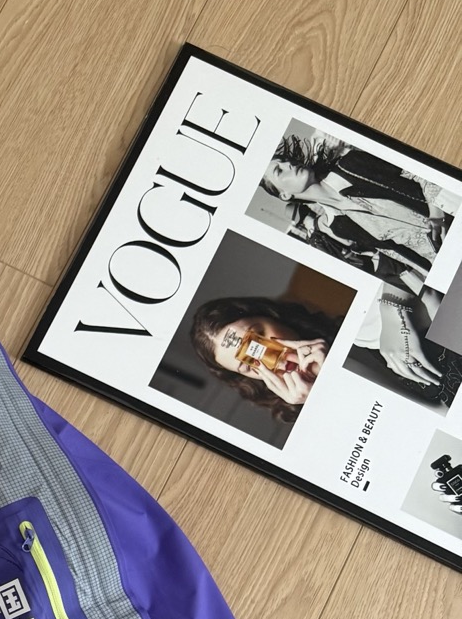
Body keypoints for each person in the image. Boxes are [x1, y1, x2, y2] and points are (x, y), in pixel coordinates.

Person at [190, 289, 453, 419]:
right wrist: (329, 386)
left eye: (258, 335)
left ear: (270, 316)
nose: (271, 357)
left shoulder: (368, 328)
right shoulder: (312, 421)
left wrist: (393, 307)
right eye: (249, 365)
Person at [260, 132, 454, 267]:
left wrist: (436, 212)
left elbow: (419, 170)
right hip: (444, 259)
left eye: (284, 160)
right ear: (285, 195)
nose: (288, 164)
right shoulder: (338, 226)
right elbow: (396, 253)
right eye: (279, 171)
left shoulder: (351, 164)